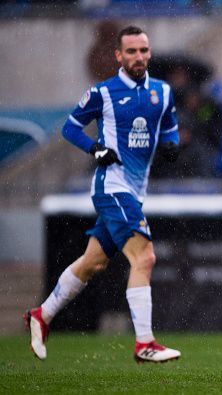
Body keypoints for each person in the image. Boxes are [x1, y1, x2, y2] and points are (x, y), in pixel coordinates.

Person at [24, 26, 181, 363]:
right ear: (118, 56)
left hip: (135, 191)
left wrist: (172, 147)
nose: (138, 56)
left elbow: (169, 127)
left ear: (149, 52)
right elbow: (70, 127)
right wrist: (95, 149)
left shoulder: (162, 92)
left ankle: (42, 315)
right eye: (131, 51)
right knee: (145, 257)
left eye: (143, 50)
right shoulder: (103, 92)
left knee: (93, 262)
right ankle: (145, 344)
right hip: (112, 186)